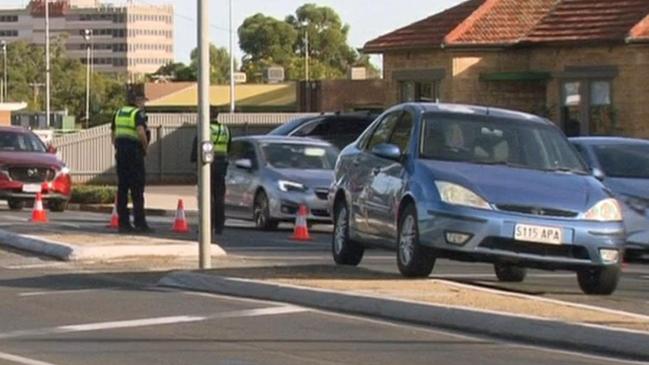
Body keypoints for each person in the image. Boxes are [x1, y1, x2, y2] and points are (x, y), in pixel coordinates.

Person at [111, 91, 152, 234]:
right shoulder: (137, 114)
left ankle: (123, 223)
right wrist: (145, 148)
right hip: (134, 154)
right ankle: (140, 223)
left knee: (122, 189)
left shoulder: (119, 112)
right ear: (137, 100)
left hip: (121, 153)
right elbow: (141, 132)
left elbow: (113, 134)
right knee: (137, 189)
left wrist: (117, 147)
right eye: (143, 101)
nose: (143, 104)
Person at [190, 108, 231, 235]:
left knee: (206, 197)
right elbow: (229, 147)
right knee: (219, 197)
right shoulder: (225, 129)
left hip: (207, 165)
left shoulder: (205, 129)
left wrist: (194, 161)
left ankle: (206, 225)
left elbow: (197, 147)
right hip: (222, 164)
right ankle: (219, 226)